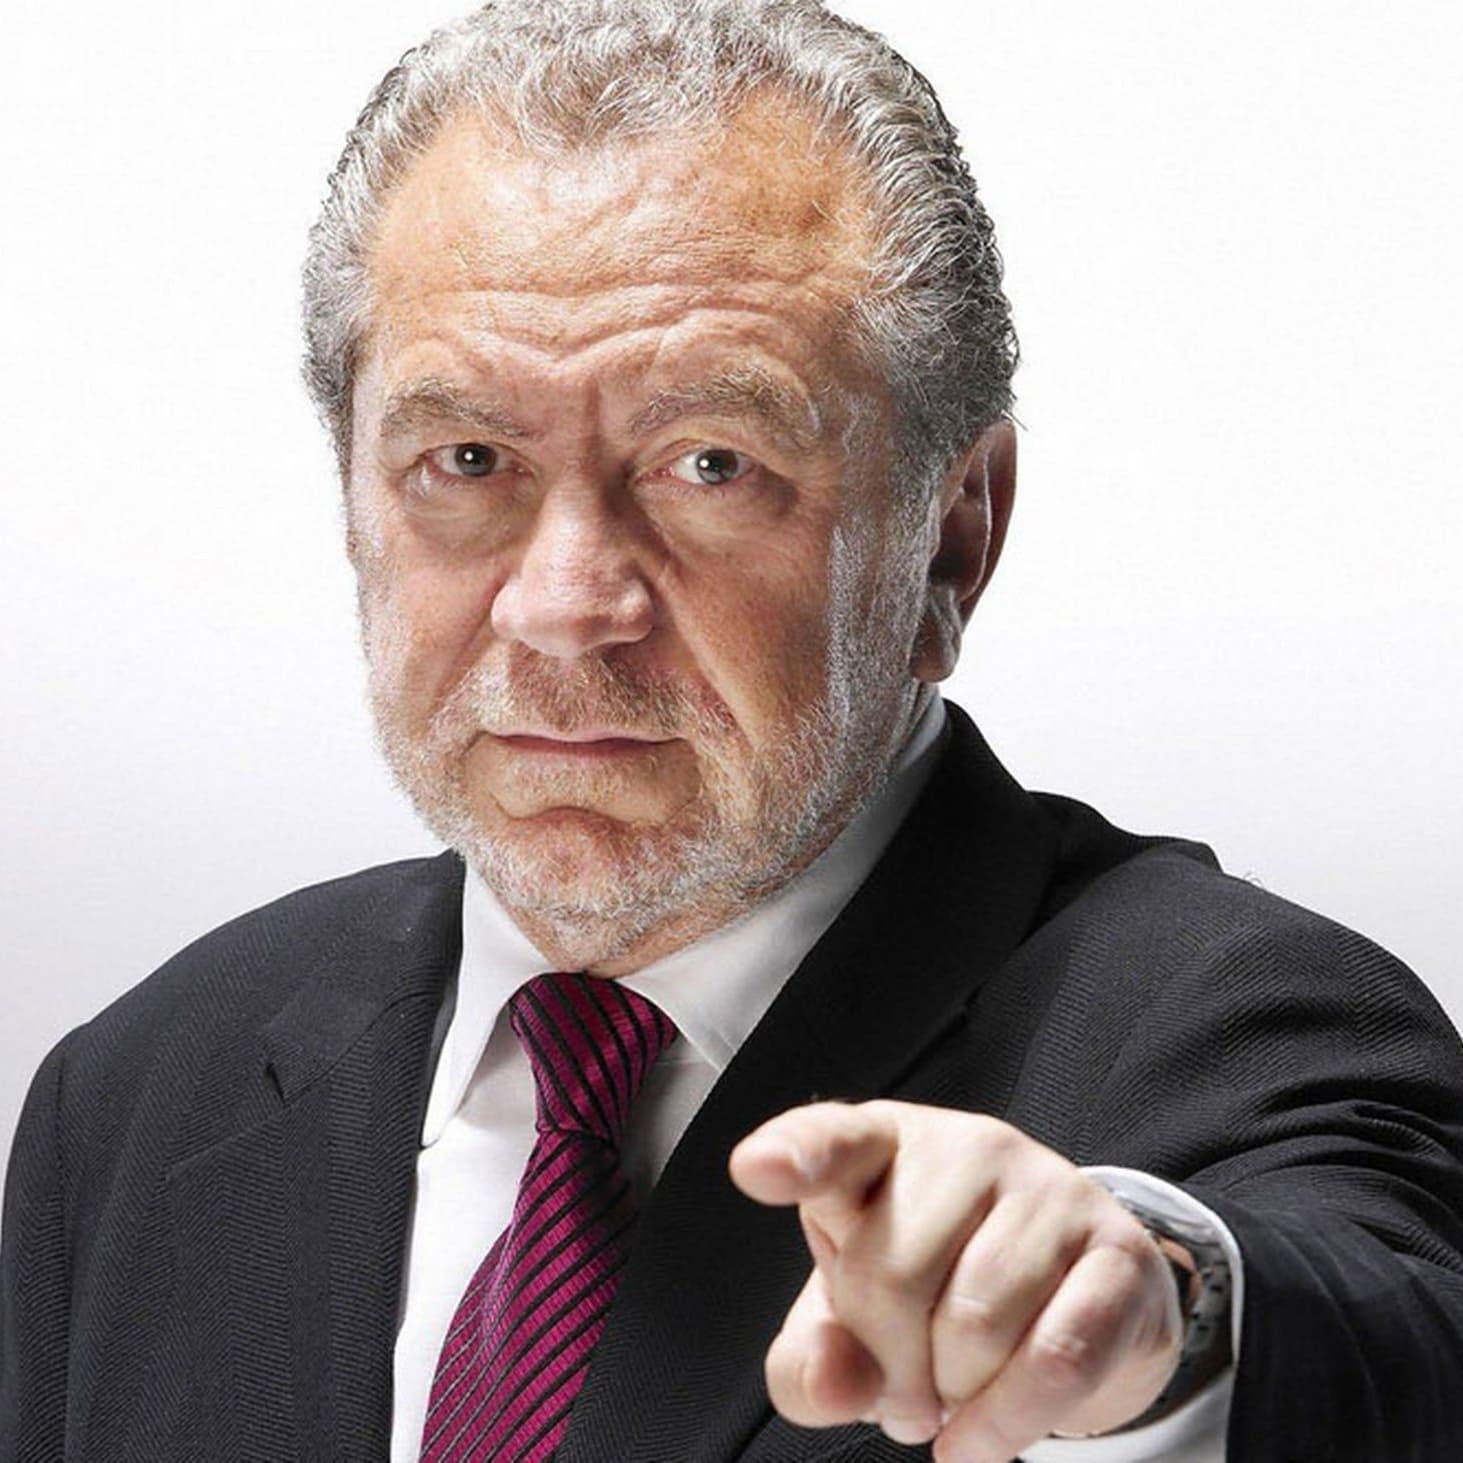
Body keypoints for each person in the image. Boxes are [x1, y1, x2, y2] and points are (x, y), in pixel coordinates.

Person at [4, 1, 1462, 1459]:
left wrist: (1157, 1319)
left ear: (952, 537)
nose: (564, 606)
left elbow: (1388, 1337)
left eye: (712, 463)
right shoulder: (131, 1098)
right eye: (468, 458)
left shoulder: (1241, 1029)